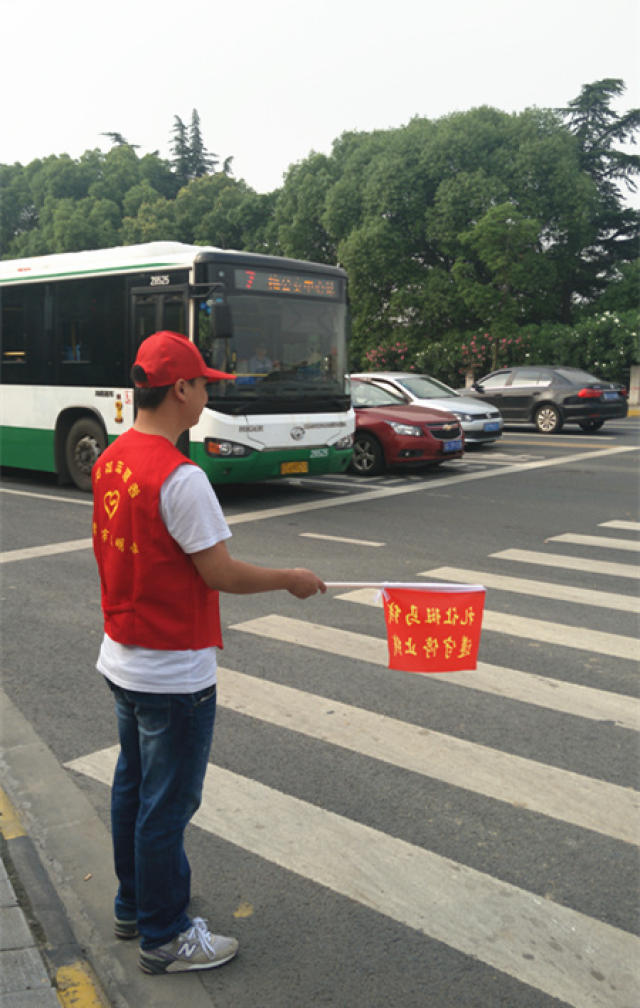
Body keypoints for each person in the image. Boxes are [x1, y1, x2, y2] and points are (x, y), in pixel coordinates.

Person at [91, 330, 325, 976]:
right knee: (165, 806)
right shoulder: (180, 477)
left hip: (123, 659)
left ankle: (134, 904)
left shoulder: (111, 460)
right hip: (174, 672)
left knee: (133, 788)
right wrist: (290, 579)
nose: (205, 398)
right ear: (180, 390)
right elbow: (219, 573)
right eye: (202, 386)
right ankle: (164, 936)